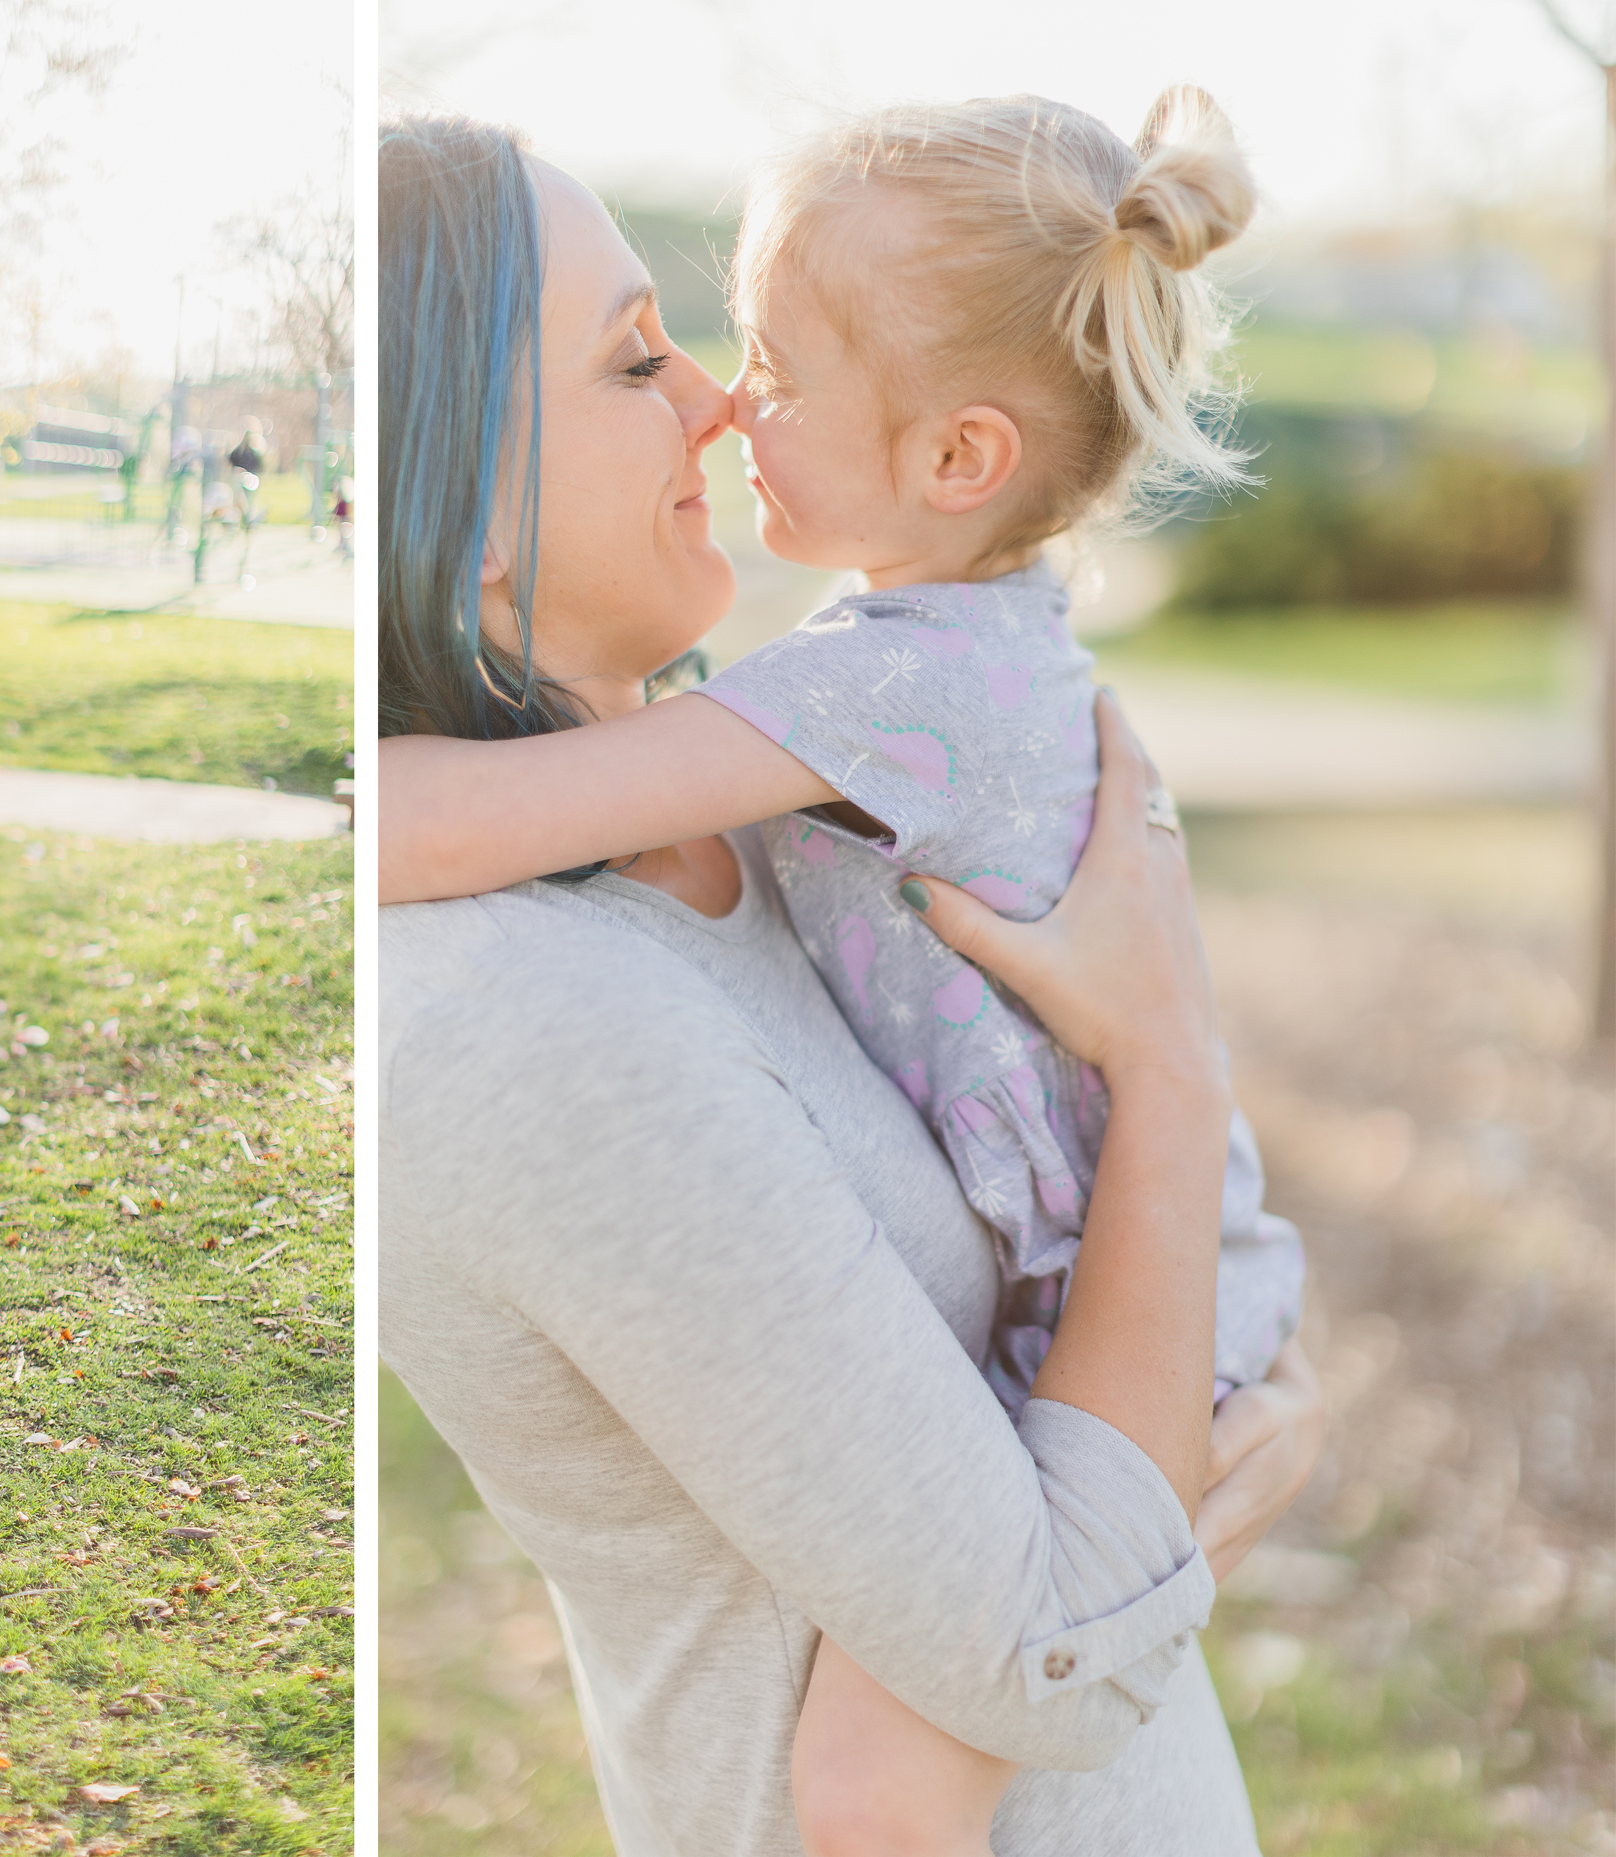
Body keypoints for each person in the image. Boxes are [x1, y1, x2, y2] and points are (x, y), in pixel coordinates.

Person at [377, 114, 1326, 1856]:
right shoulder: (530, 1014)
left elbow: (444, 811)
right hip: (1131, 1329)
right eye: (636, 356)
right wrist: (1155, 1512)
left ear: (961, 455)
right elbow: (1049, 1634)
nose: (719, 405)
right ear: (464, 506)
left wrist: (1164, 1488)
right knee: (877, 1800)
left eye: (741, 359)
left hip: (1143, 1321)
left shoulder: (858, 715)